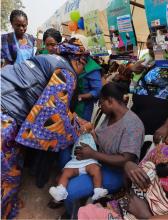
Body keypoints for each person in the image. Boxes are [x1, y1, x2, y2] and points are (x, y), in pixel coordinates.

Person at [1, 38, 89, 219]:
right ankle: (5, 210)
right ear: (78, 60)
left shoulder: (48, 59)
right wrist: (80, 127)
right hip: (5, 116)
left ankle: (8, 205)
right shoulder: (67, 72)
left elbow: (56, 104)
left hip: (5, 105)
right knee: (6, 174)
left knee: (12, 166)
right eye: (83, 66)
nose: (82, 71)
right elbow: (54, 116)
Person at [59, 82, 144, 217]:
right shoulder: (110, 115)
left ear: (110, 101)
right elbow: (101, 138)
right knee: (64, 151)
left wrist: (92, 153)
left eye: (101, 102)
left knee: (71, 190)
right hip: (97, 160)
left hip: (115, 171)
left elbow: (127, 159)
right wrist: (88, 134)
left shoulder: (133, 125)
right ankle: (67, 198)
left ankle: (73, 214)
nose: (100, 106)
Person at [49, 133, 108, 202]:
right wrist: (74, 134)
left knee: (96, 169)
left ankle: (98, 190)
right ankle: (60, 191)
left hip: (89, 159)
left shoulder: (91, 134)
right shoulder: (76, 133)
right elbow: (70, 139)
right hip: (76, 161)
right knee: (66, 173)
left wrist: (92, 133)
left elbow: (97, 142)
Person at [72, 35, 102, 121]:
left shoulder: (92, 68)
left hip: (83, 108)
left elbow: (97, 91)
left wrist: (80, 97)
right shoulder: (73, 60)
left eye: (77, 47)